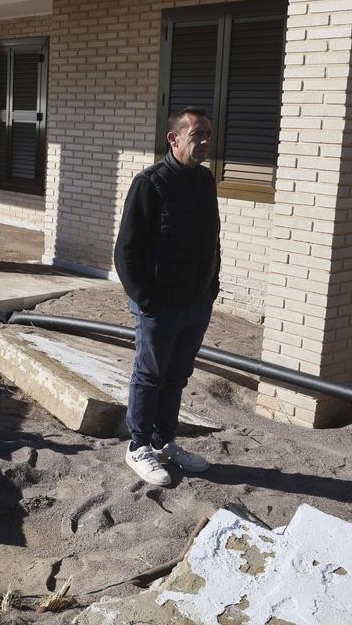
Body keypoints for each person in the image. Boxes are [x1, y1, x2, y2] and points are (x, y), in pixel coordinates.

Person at [113, 107, 220, 487]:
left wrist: (211, 288)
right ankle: (138, 445)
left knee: (177, 375)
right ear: (174, 139)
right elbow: (125, 250)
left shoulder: (206, 182)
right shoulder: (150, 184)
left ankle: (165, 441)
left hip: (196, 303)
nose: (206, 141)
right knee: (150, 375)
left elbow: (212, 238)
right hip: (160, 305)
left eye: (209, 134)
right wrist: (145, 299)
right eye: (198, 135)